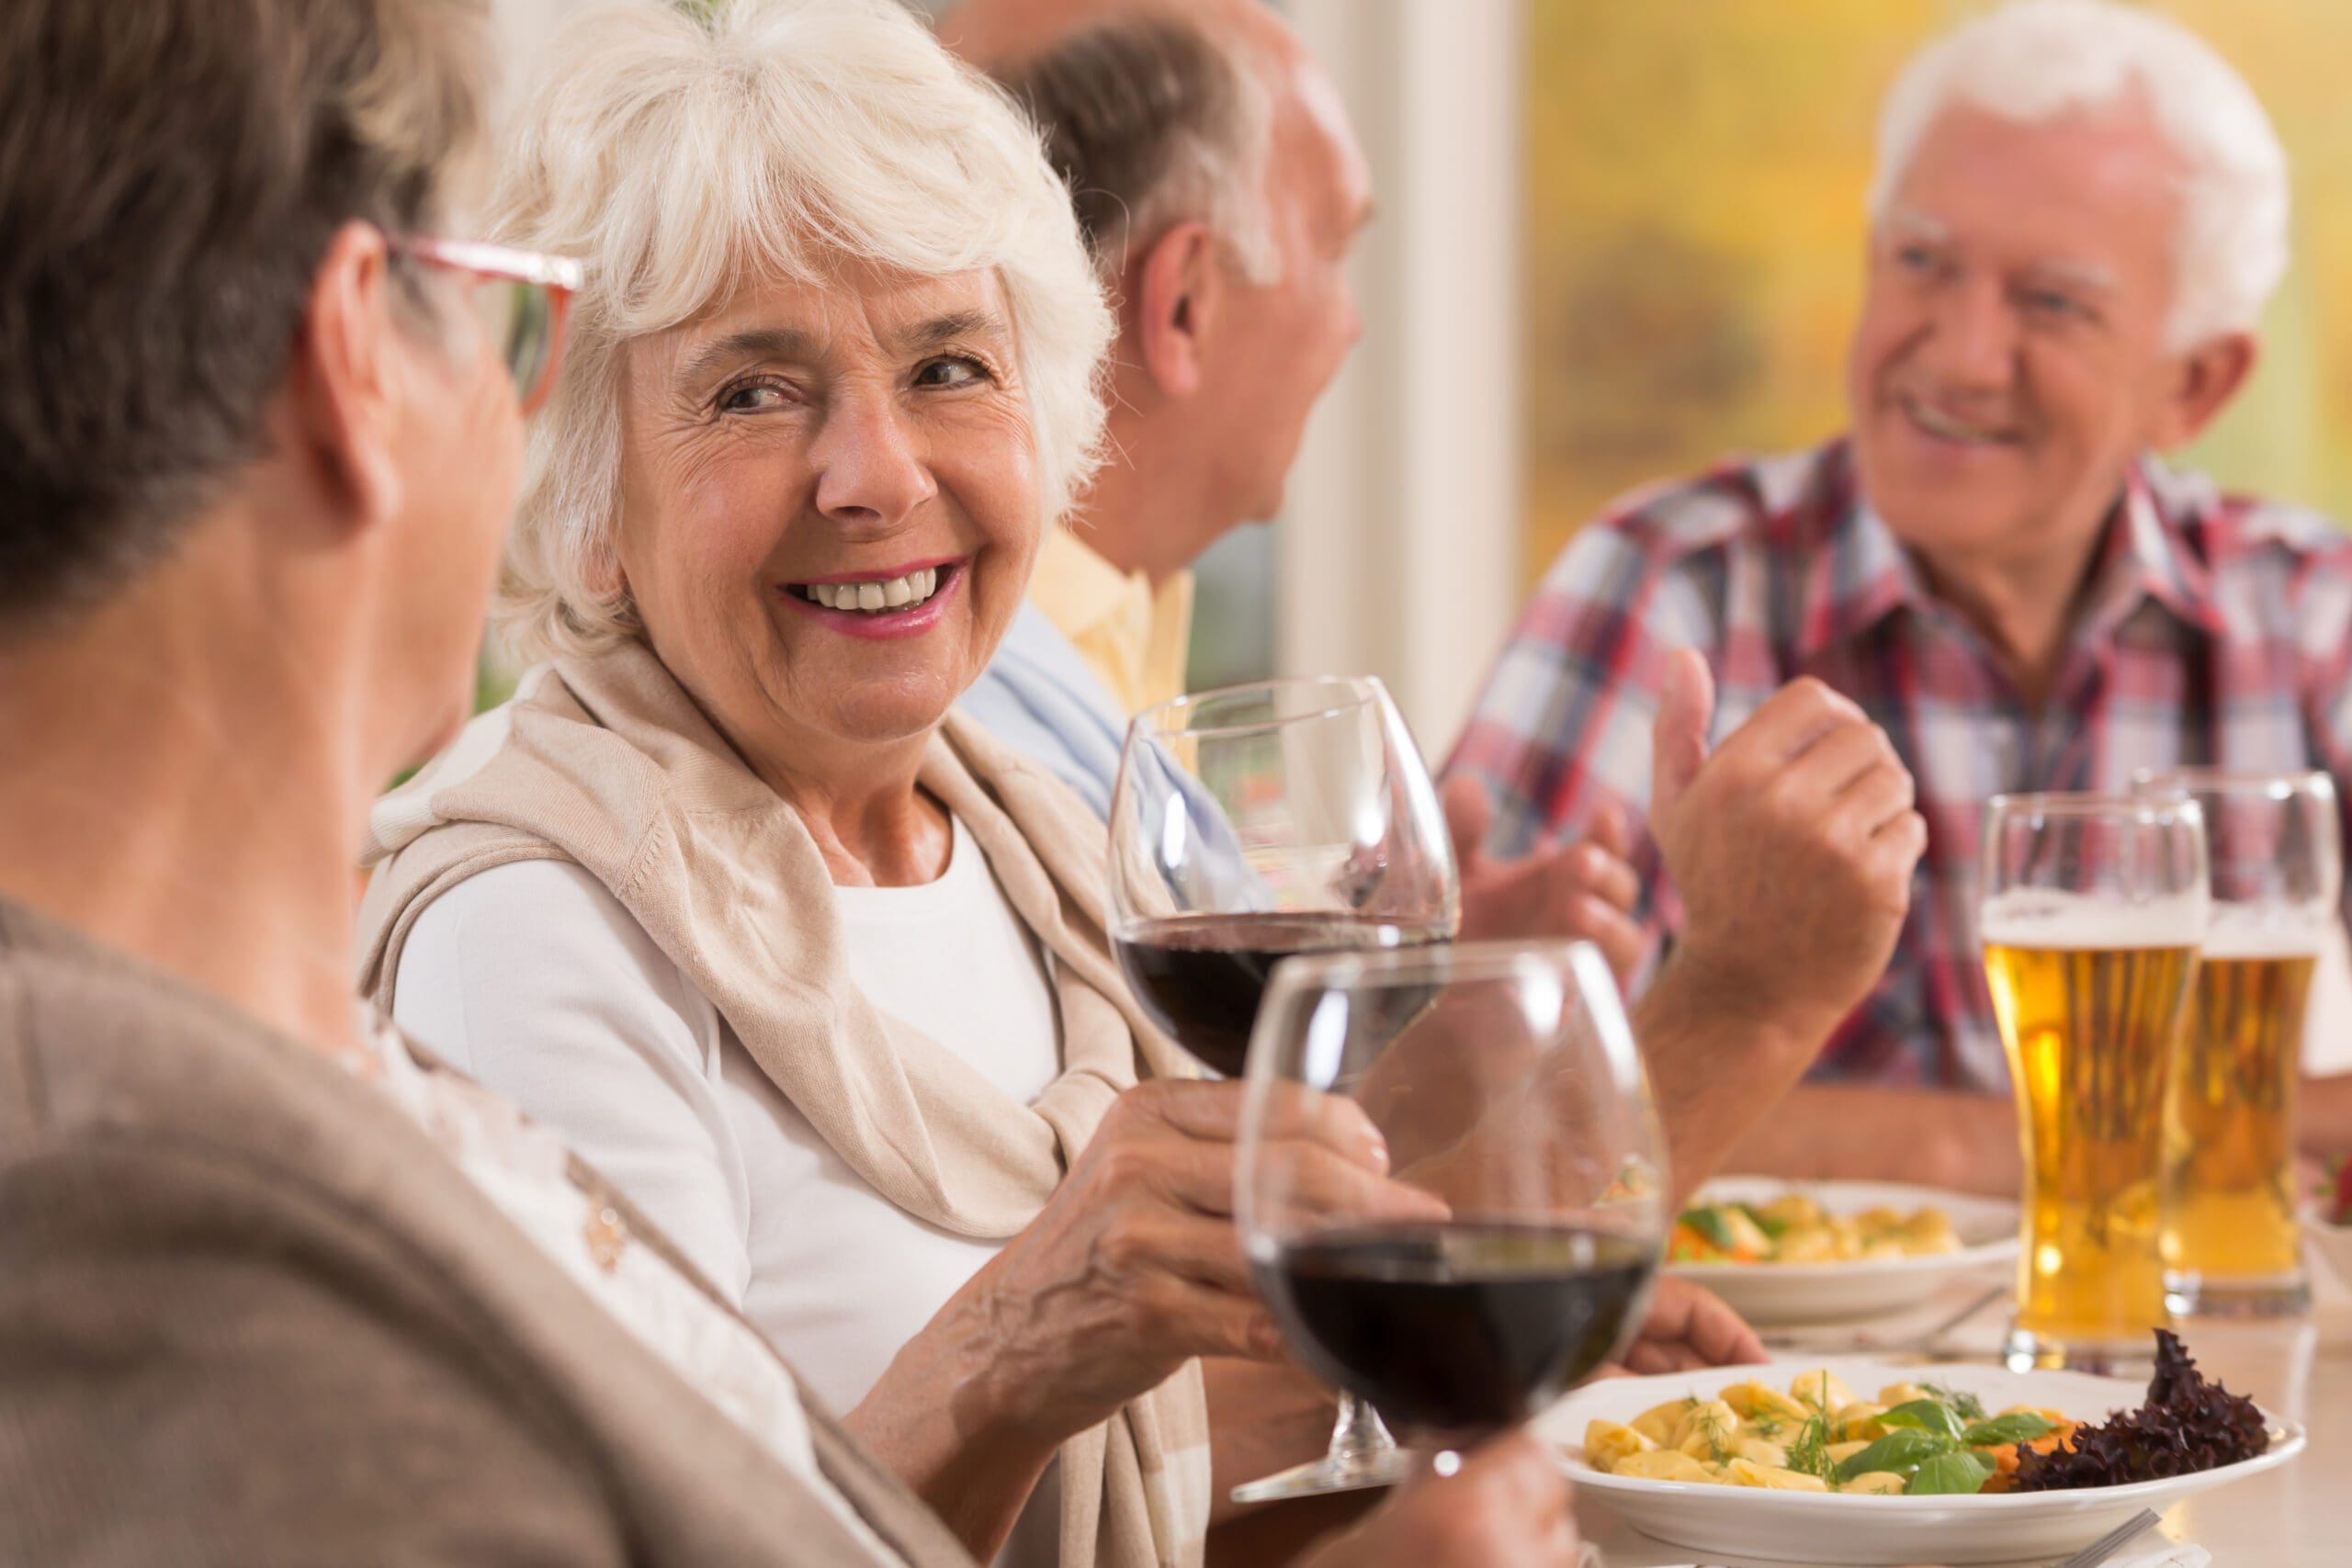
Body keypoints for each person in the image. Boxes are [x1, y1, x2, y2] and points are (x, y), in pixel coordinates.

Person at [0, 0, 1578, 1563]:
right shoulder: (520, 935)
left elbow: (1149, 1462)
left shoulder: (1044, 836)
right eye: (752, 392)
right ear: (584, 493)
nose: (877, 474)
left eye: (953, 366)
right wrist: (1022, 1348)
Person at [940, 0, 1929, 1169]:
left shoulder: (1105, 658)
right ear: (1186, 304)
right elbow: (1202, 1308)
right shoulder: (959, 726)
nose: (1351, 326)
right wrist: (1747, 991)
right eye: (1336, 253)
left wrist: (1409, 1021)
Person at [1451, 0, 2352, 1193]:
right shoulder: (1673, 583)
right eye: (1922, 261)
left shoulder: (2308, 606)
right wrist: (2015, 1145)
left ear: (2195, 383)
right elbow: (1482, 1131)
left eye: (2055, 303)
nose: (1964, 353)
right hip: (1778, 1376)